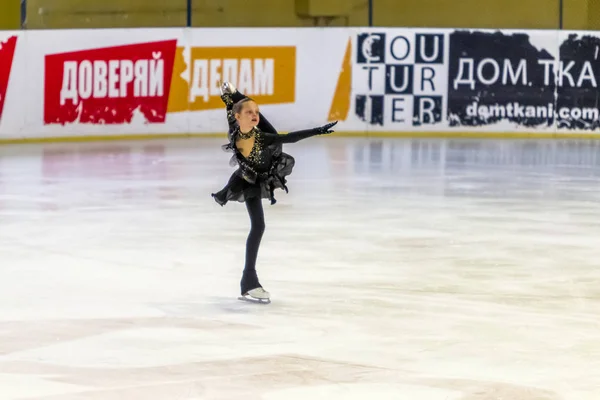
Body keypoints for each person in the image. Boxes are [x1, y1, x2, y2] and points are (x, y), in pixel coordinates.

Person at [211, 81, 337, 302]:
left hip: (265, 164)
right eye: (249, 113)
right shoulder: (249, 134)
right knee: (258, 226)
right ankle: (249, 281)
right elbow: (288, 138)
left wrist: (231, 96)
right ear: (239, 117)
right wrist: (316, 131)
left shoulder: (242, 124)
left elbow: (236, 112)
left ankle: (234, 93)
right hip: (249, 180)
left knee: (245, 110)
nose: (254, 115)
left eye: (256, 112)